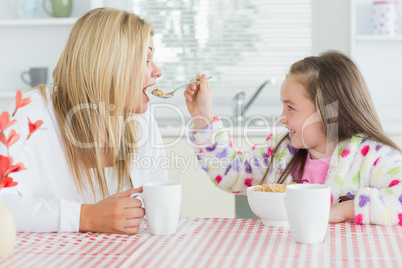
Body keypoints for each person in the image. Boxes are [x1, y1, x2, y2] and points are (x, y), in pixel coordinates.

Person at [184, 51, 402, 226]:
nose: (282, 118)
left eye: (290, 108)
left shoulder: (371, 157)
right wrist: (202, 117)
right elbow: (231, 172)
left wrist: (347, 209)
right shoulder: (280, 151)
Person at [0, 8, 168, 234]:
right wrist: (85, 217)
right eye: (146, 60)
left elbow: (157, 203)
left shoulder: (141, 120)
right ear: (109, 64)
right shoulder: (30, 112)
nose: (157, 71)